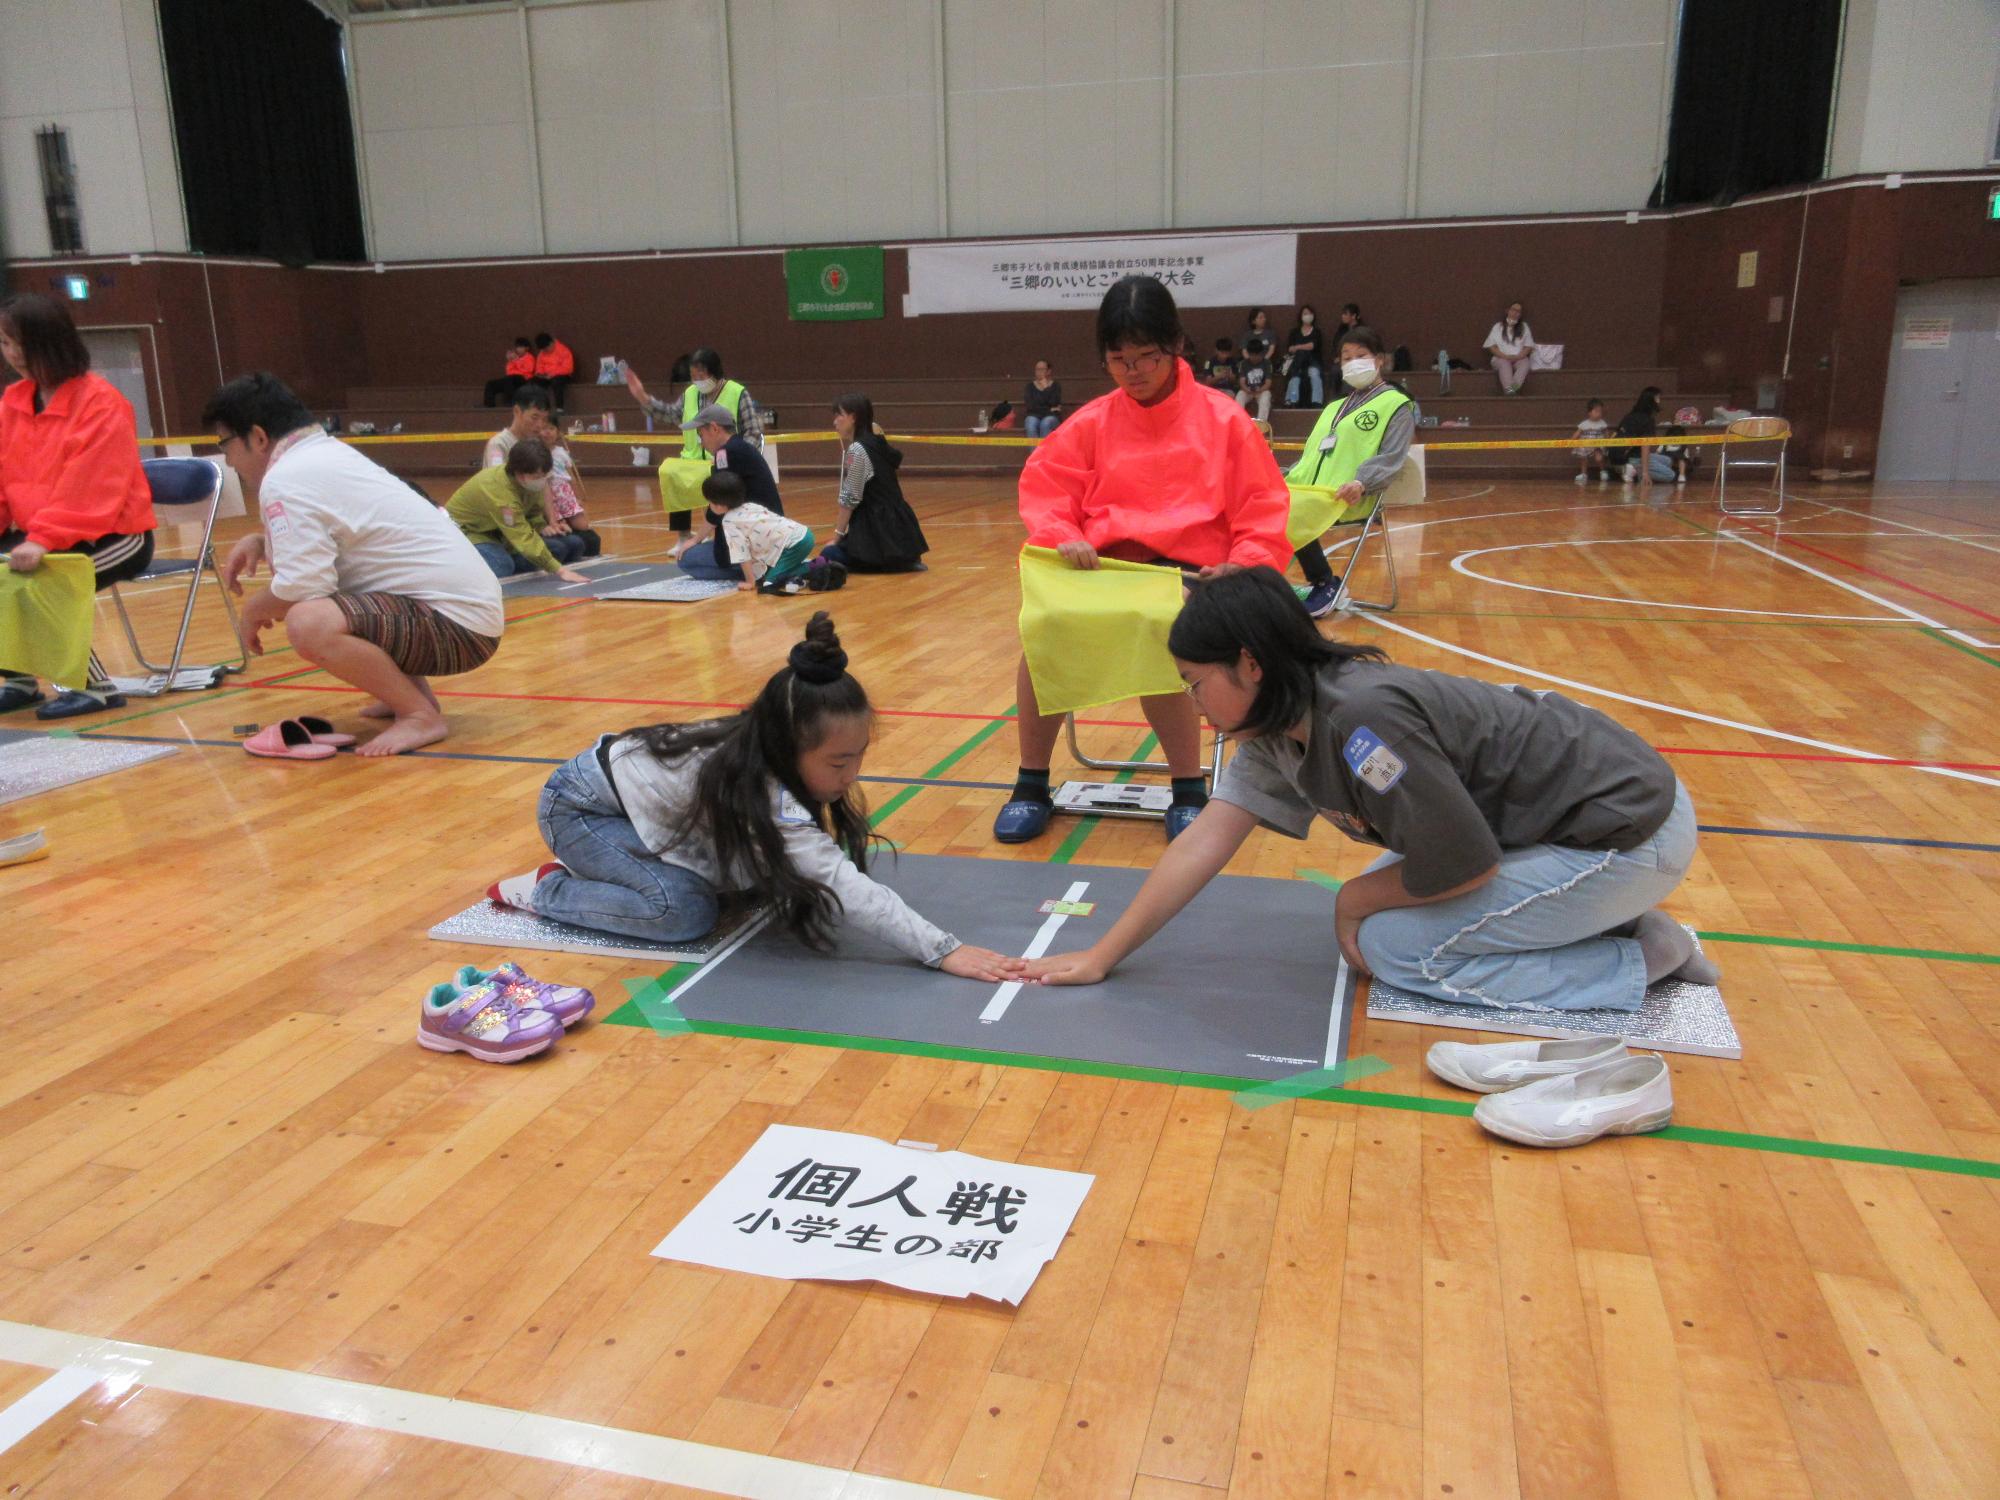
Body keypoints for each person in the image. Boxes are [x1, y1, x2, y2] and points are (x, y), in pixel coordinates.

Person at [1019, 568, 1719, 1019]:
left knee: (1395, 949)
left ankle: (1640, 959)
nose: (1194, 704)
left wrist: (1352, 900)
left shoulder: (1362, 720)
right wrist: (1103, 955)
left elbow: (1464, 862)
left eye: (1196, 685)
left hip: (1627, 834)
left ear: (1250, 665)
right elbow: (1204, 840)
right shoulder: (1276, 727)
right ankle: (1609, 918)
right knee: (1392, 909)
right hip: (1553, 827)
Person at [487, 612, 1022, 980]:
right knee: (681, 912)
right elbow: (842, 883)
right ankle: (545, 889)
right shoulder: (761, 786)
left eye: (858, 757)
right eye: (839, 763)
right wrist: (942, 950)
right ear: (789, 747)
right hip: (580, 809)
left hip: (629, 804)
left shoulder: (764, 751)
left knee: (754, 880)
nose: (852, 776)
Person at [993, 274, 1291, 846]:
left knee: (1163, 626)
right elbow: (1048, 492)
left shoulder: (1224, 420)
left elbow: (1262, 507)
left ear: (1175, 346)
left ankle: (1188, 787)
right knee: (1043, 627)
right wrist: (1064, 534)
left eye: (1146, 356)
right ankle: (1031, 781)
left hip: (1193, 576)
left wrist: (1243, 563)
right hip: (1106, 571)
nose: (1133, 371)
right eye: (1118, 359)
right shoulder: (1091, 422)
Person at [209, 372, 504, 757]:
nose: (228, 459)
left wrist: (253, 610)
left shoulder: (287, 477)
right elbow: (338, 542)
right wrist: (264, 542)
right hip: (465, 619)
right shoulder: (323, 455)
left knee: (309, 621)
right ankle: (411, 697)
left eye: (226, 444)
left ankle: (418, 715)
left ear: (259, 437)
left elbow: (303, 585)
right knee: (339, 599)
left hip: (456, 629)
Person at [0, 292, 158, 718]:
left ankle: (94, 688)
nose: (12, 354)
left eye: (19, 343)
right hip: (43, 534)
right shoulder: (12, 403)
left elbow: (89, 487)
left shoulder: (101, 403)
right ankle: (18, 679)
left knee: (40, 585)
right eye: (4, 343)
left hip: (114, 535)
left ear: (51, 342)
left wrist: (43, 540)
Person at [1285, 325, 1414, 619]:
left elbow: (1392, 458)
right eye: (1346, 358)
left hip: (1348, 494)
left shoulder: (1396, 405)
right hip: (1309, 491)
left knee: (1284, 510)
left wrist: (1362, 482)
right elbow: (1311, 458)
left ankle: (1324, 582)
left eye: (1361, 355)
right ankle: (1259, 582)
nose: (1353, 362)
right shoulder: (1335, 407)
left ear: (1379, 359)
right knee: (1255, 499)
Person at [624, 347, 760, 555]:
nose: (697, 381)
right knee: (670, 471)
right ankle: (683, 536)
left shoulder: (737, 393)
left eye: (701, 376)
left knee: (721, 481)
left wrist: (738, 456)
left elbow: (753, 432)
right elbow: (670, 414)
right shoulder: (690, 394)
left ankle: (722, 535)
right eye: (693, 376)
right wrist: (643, 397)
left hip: (725, 461)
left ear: (714, 372)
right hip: (692, 460)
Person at [446, 439, 592, 581]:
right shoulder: (500, 493)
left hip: (501, 533)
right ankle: (455, 567)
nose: (542, 480)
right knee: (502, 566)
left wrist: (543, 526)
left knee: (567, 546)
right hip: (469, 533)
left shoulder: (530, 483)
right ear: (520, 475)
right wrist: (560, 571)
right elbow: (522, 535)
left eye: (545, 475)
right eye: (538, 476)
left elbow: (533, 512)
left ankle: (508, 556)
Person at [675, 402, 784, 582]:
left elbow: (719, 504)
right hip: (771, 534)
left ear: (714, 428)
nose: (701, 442)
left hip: (756, 540)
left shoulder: (725, 454)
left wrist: (695, 540)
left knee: (686, 560)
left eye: (701, 434)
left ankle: (758, 569)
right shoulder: (742, 447)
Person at [823, 393, 929, 573]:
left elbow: (850, 499)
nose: (835, 422)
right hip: (903, 537)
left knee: (828, 554)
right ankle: (901, 561)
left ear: (853, 417)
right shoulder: (878, 443)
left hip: (877, 536)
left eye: (839, 415)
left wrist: (837, 538)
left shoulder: (857, 450)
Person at [705, 470, 841, 595]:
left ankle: (814, 566)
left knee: (770, 583)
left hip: (794, 544)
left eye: (710, 502)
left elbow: (742, 554)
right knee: (774, 571)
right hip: (804, 534)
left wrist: (750, 581)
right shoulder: (750, 505)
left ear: (719, 505)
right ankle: (807, 566)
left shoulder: (729, 521)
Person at [483, 384, 556, 469]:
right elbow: (495, 475)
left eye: (544, 419)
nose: (540, 425)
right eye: (534, 417)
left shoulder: (539, 444)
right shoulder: (498, 444)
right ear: (517, 411)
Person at [1610, 386, 1662, 484]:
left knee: (1667, 460)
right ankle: (1631, 469)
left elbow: (1615, 434)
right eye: (1657, 398)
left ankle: (1623, 468)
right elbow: (1645, 445)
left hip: (1615, 456)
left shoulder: (1629, 415)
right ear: (1651, 400)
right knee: (1669, 475)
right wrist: (1645, 473)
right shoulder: (1648, 420)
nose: (1659, 401)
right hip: (1631, 457)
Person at [1484, 302, 1535, 395]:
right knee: (1504, 365)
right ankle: (1510, 392)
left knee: (1525, 364)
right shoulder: (1498, 326)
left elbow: (1528, 346)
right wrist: (1505, 356)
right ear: (1508, 311)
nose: (1515, 313)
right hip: (1500, 358)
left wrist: (1519, 356)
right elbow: (1492, 346)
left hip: (1519, 358)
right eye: (1513, 310)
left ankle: (1511, 390)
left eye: (1518, 311)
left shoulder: (1524, 327)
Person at [1282, 305, 1324, 408]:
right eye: (1305, 313)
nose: (1307, 316)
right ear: (1301, 316)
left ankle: (1317, 401)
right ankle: (1292, 401)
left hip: (1313, 362)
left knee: (1314, 374)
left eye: (1310, 313)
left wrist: (1298, 347)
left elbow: (1312, 346)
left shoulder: (1316, 332)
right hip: (1297, 362)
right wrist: (1301, 348)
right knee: (1295, 376)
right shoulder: (1295, 332)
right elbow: (1290, 348)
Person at [483, 337, 535, 408]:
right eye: (517, 347)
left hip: (523, 379)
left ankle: (511, 402)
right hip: (511, 379)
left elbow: (528, 370)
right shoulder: (514, 357)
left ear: (527, 348)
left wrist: (516, 360)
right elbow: (509, 371)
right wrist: (510, 360)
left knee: (509, 379)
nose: (518, 349)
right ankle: (489, 404)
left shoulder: (529, 357)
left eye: (520, 347)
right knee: (490, 383)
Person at [531, 332, 575, 410]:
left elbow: (568, 368)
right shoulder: (542, 353)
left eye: (546, 348)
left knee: (556, 382)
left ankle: (559, 408)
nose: (545, 351)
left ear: (551, 343)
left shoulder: (563, 350)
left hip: (562, 375)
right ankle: (538, 407)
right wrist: (542, 375)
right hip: (547, 376)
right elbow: (539, 368)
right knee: (533, 382)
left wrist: (553, 374)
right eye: (543, 350)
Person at [1572, 398, 1611, 485]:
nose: (1599, 414)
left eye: (1600, 411)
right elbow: (1578, 433)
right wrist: (1572, 440)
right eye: (1596, 411)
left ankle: (1603, 471)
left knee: (1599, 458)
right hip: (1586, 444)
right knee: (1583, 458)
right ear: (1589, 412)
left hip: (1598, 444)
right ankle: (1583, 474)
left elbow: (1606, 432)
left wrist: (1607, 440)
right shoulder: (1584, 424)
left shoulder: (1602, 423)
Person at [1235, 338, 1274, 422]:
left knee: (1266, 396)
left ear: (1262, 354)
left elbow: (1268, 382)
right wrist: (1247, 389)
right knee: (1240, 395)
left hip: (1261, 390)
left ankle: (1261, 424)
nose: (1255, 358)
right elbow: (1242, 381)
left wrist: (1260, 389)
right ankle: (1239, 422)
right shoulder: (1244, 363)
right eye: (1252, 355)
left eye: (1257, 355)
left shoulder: (1267, 363)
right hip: (1247, 390)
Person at [1023, 360, 1063, 439]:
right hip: (1034, 415)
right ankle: (1035, 448)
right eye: (1037, 369)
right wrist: (1050, 409)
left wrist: (1046, 388)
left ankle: (1045, 447)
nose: (1039, 372)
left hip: (1052, 417)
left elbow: (1054, 402)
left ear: (1048, 371)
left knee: (1045, 423)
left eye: (1041, 369)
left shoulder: (1055, 386)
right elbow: (1030, 406)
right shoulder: (1030, 387)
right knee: (1030, 423)